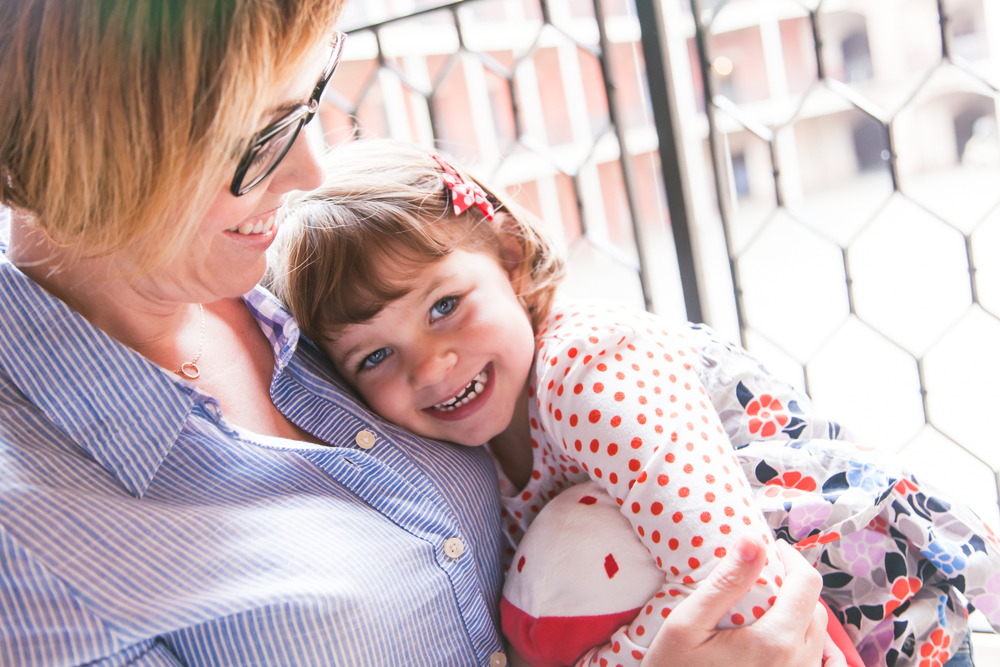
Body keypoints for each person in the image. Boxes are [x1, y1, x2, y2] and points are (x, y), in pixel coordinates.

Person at [0, 1, 842, 666]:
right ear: (96, 161)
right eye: (254, 144)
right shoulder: (31, 546)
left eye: (305, 107)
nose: (308, 174)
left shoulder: (300, 289)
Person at [266, 139, 1000, 667]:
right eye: (375, 355)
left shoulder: (587, 369)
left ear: (510, 257)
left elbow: (741, 582)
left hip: (879, 617)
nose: (431, 364)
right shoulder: (471, 459)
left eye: (444, 305)